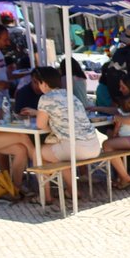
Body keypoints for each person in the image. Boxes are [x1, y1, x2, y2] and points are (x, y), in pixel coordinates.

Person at [30, 66, 102, 203]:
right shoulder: (70, 95)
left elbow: (40, 125)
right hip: (94, 146)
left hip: (76, 147)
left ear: (43, 83)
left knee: (37, 153)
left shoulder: (46, 98)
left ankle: (45, 196)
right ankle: (72, 191)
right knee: (58, 157)